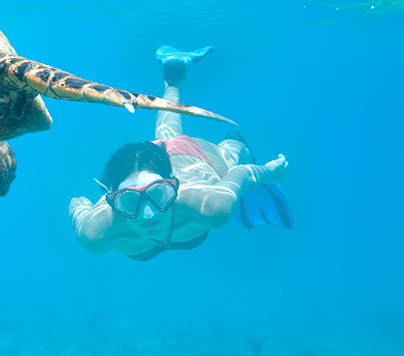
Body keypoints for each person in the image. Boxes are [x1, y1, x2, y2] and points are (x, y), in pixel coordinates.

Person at [68, 46, 294, 261]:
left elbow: (242, 173)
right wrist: (87, 205)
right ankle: (174, 78)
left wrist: (269, 172)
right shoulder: (96, 235)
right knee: (167, 136)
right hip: (145, 162)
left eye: (158, 194)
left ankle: (223, 131)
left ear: (174, 184)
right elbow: (76, 203)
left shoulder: (211, 204)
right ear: (112, 200)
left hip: (193, 159)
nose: (147, 215)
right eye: (129, 201)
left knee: (234, 151)